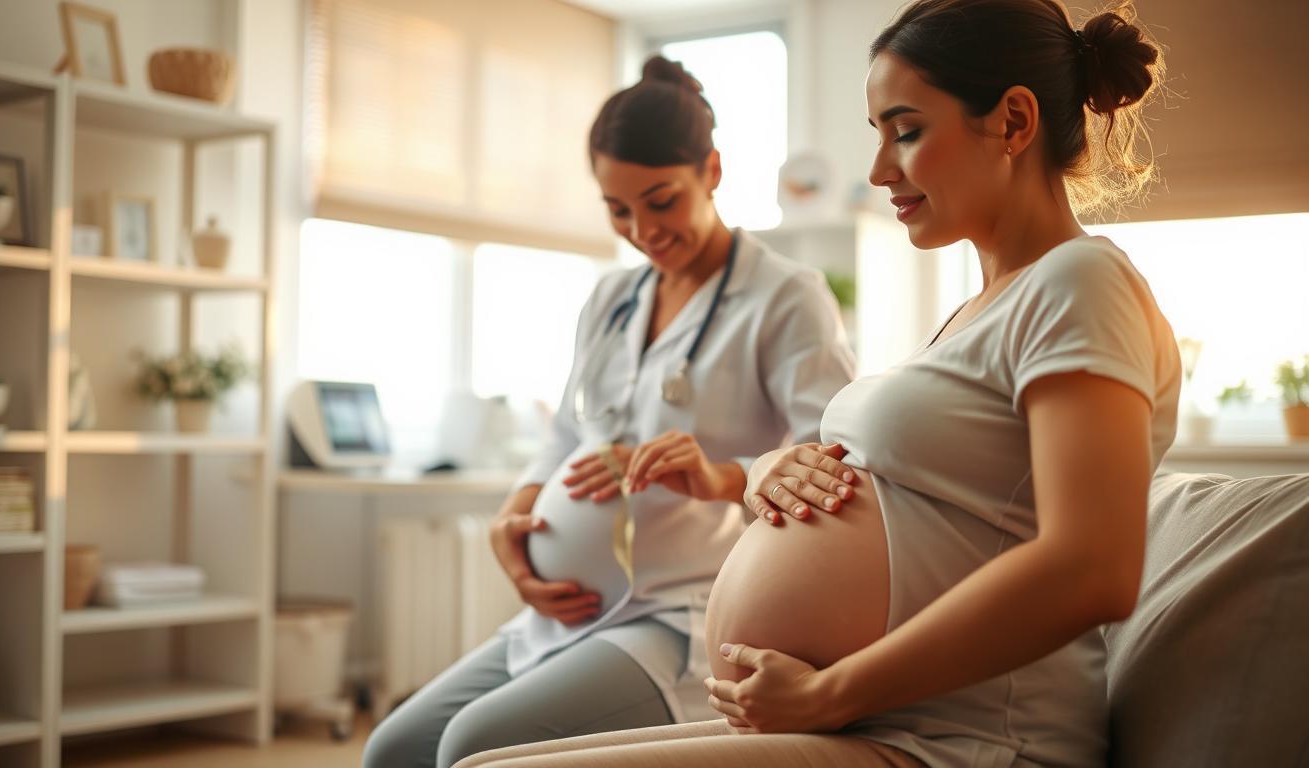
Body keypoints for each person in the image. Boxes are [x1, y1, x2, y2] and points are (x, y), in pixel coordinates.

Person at [453, 1, 1180, 766]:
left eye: (905, 131)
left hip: (965, 738)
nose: (877, 169)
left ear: (1013, 121)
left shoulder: (1080, 281)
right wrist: (768, 469)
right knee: (477, 760)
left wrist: (835, 692)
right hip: (867, 716)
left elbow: (1092, 568)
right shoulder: (977, 311)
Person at [362, 55, 856, 768]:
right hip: (569, 615)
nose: (641, 229)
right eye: (617, 209)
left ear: (712, 171)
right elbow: (567, 431)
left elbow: (831, 459)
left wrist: (718, 476)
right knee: (393, 749)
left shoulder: (785, 296)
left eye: (661, 201)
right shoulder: (612, 299)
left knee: (472, 747)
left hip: (680, 615)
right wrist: (519, 513)